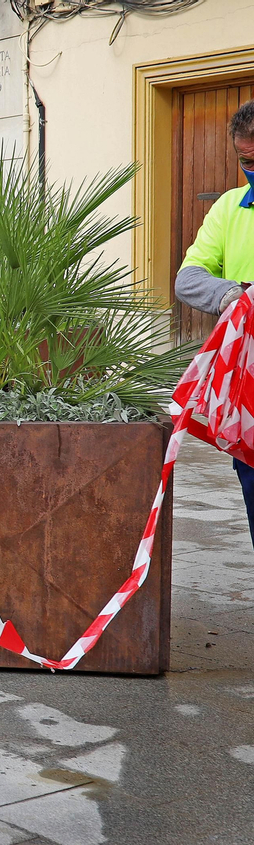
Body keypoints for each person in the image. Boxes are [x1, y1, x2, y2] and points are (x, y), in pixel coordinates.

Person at [176, 98, 254, 547]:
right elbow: (188, 278)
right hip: (249, 395)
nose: (253, 168)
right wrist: (230, 295)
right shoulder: (229, 208)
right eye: (246, 161)